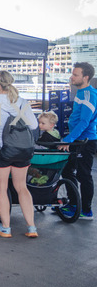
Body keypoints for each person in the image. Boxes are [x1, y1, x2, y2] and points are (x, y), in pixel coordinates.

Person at [0, 70, 38, 238]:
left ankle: (5, 228)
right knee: (22, 187)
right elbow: (34, 125)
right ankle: (31, 228)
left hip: (2, 150)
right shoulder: (22, 102)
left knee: (1, 188)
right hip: (22, 150)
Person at [59, 62, 97, 220]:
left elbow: (84, 122)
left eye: (75, 74)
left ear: (85, 77)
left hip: (85, 142)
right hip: (76, 140)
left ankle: (86, 211)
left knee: (84, 175)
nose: (72, 77)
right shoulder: (80, 92)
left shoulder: (89, 95)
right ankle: (73, 204)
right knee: (67, 171)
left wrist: (68, 140)